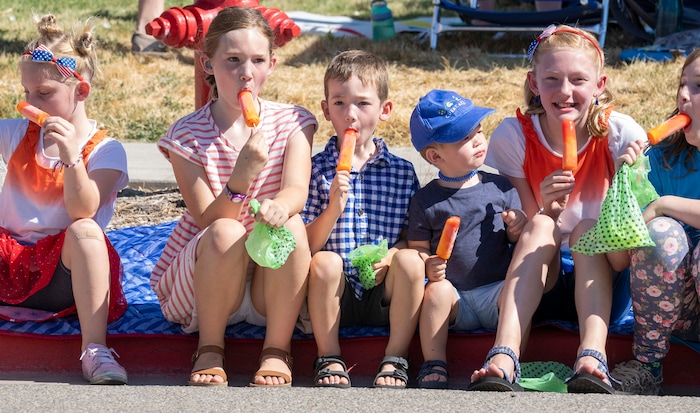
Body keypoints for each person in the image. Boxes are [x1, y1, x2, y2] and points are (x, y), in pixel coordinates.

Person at [469, 24, 647, 393]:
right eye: (552, 79)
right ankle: (503, 354)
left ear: (599, 85)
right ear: (534, 83)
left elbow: (627, 255)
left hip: (607, 286)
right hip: (540, 286)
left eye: (578, 80)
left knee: (585, 231)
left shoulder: (620, 136)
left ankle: (592, 355)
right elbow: (524, 231)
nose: (565, 92)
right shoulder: (514, 136)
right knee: (540, 227)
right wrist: (547, 210)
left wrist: (630, 180)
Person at [151, 7, 317, 387]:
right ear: (206, 63)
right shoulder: (186, 136)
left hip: (269, 281)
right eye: (232, 60)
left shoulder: (293, 122)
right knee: (226, 230)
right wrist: (241, 177)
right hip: (208, 281)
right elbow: (208, 219)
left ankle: (277, 347)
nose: (246, 72)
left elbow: (297, 189)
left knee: (292, 224)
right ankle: (210, 346)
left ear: (272, 64)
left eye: (257, 60)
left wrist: (281, 206)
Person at [0, 14, 130, 384]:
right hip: (7, 265)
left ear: (81, 91)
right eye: (26, 93)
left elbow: (82, 209)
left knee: (87, 231)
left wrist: (72, 156)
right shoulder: (16, 134)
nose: (30, 103)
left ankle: (95, 348)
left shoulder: (105, 151)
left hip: (64, 278)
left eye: (44, 95)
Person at [302, 50, 422, 389]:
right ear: (326, 110)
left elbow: (411, 238)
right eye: (339, 103)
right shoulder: (314, 170)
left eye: (363, 104)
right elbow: (306, 246)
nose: (350, 114)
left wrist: (393, 255)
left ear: (384, 111)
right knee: (325, 262)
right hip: (331, 296)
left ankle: (396, 357)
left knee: (412, 261)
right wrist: (333, 209)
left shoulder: (402, 172)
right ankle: (328, 356)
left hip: (383, 295)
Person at [405, 90, 526, 389]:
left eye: (479, 132)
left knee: (519, 291)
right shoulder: (426, 200)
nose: (477, 141)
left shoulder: (500, 187)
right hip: (454, 298)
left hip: (495, 291)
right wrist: (428, 264)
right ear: (435, 156)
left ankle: (508, 355)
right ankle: (434, 360)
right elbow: (417, 249)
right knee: (436, 292)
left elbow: (516, 242)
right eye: (464, 138)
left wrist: (516, 228)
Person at [610, 49, 700, 396]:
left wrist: (664, 204)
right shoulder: (661, 161)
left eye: (698, 86)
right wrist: (627, 182)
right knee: (661, 233)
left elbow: (662, 207)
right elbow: (619, 260)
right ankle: (647, 365)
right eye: (682, 84)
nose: (682, 95)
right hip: (677, 313)